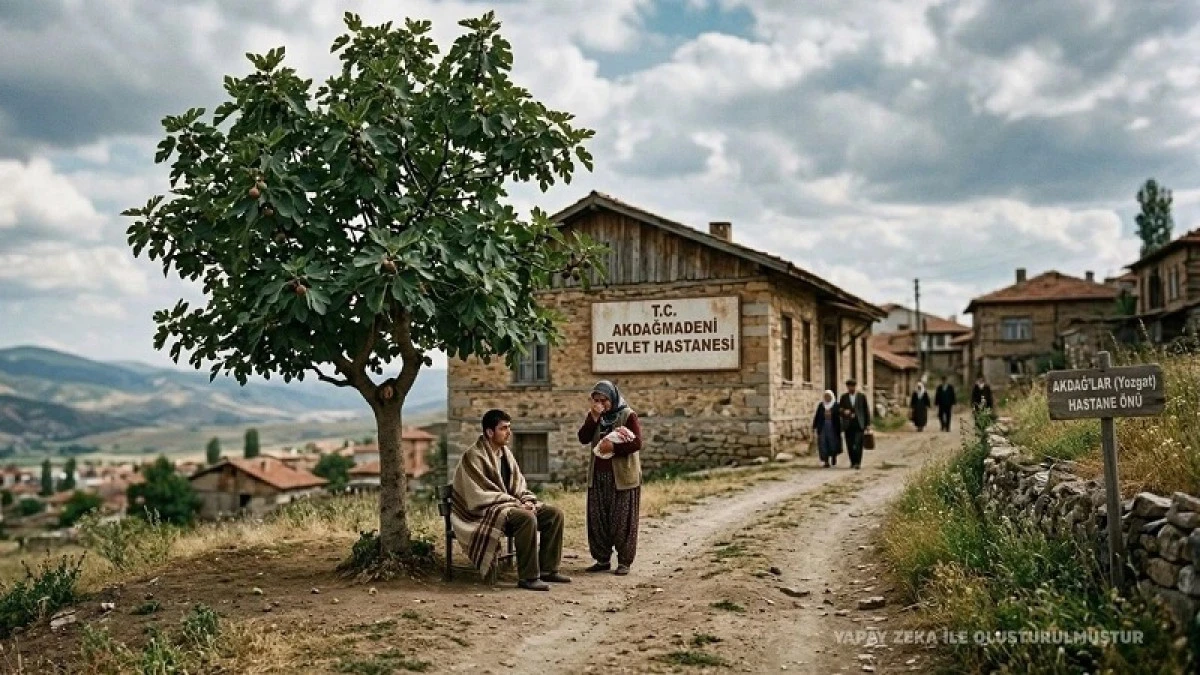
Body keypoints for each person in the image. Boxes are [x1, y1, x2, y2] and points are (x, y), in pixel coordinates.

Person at [450, 409, 570, 591]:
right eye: (504, 428)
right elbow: (480, 494)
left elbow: (518, 483)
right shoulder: (474, 456)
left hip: (506, 507)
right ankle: (528, 577)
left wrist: (526, 500)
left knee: (554, 514)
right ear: (490, 432)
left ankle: (548, 569)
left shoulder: (505, 453)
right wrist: (518, 505)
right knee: (526, 517)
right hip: (481, 514)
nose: (509, 432)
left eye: (509, 428)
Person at [577, 380, 643, 576]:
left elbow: (637, 442)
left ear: (612, 398)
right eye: (596, 400)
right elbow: (583, 438)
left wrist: (613, 447)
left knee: (622, 520)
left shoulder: (627, 415)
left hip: (622, 477)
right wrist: (593, 418)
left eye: (603, 400)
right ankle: (602, 559)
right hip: (598, 476)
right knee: (598, 519)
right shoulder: (596, 416)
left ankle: (624, 561)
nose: (600, 404)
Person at [838, 378, 872, 470]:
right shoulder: (844, 397)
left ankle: (858, 462)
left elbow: (866, 410)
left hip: (859, 423)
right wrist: (844, 411)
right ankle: (852, 462)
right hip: (848, 424)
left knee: (858, 443)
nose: (851, 388)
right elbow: (839, 410)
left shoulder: (861, 397)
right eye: (849, 387)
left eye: (852, 386)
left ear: (855, 387)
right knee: (850, 444)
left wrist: (868, 424)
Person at [811, 390, 843, 468]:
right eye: (825, 396)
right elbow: (817, 416)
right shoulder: (821, 405)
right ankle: (826, 461)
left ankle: (833, 456)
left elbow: (839, 416)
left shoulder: (836, 405)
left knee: (832, 443)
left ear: (832, 397)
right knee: (823, 443)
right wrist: (814, 426)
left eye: (828, 396)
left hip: (833, 427)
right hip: (823, 427)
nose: (827, 398)